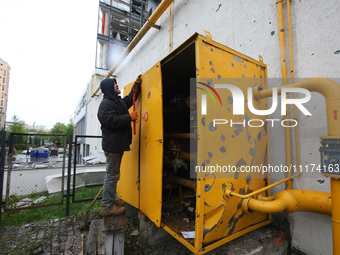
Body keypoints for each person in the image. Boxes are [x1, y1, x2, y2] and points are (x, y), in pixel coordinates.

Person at [97, 75, 142, 216]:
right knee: (111, 175)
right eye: (115, 84)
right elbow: (110, 121)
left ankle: (110, 201)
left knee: (113, 175)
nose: (117, 86)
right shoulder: (106, 104)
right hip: (112, 146)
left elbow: (129, 100)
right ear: (110, 88)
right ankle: (106, 207)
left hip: (116, 145)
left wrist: (137, 86)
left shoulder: (116, 102)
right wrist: (129, 117)